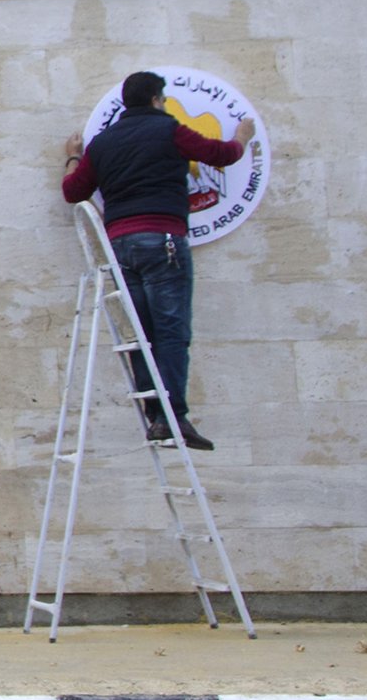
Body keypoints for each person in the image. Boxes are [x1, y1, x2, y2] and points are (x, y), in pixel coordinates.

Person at [62, 71, 254, 451]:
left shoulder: (102, 144)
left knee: (141, 338)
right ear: (155, 99)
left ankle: (155, 418)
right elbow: (223, 155)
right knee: (171, 333)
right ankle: (173, 417)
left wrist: (72, 156)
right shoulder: (169, 129)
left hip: (121, 246)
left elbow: (72, 191)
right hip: (163, 239)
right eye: (163, 100)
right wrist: (243, 136)